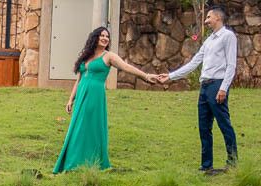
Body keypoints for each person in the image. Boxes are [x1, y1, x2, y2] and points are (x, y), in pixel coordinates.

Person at [54, 27, 157, 174]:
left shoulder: (109, 56)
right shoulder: (86, 56)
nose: (104, 38)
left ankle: (91, 162)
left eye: (107, 36)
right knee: (77, 127)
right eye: (101, 35)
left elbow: (126, 67)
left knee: (90, 127)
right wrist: (71, 99)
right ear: (95, 37)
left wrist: (145, 76)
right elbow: (79, 79)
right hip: (81, 94)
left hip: (95, 96)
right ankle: (73, 161)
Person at [158, 5, 238, 174]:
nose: (206, 21)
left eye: (209, 17)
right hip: (204, 87)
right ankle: (206, 164)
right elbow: (194, 63)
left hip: (217, 85)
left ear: (218, 18)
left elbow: (231, 65)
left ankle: (232, 163)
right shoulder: (209, 41)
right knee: (204, 127)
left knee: (224, 125)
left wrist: (223, 89)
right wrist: (170, 76)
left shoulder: (228, 36)